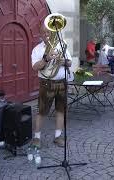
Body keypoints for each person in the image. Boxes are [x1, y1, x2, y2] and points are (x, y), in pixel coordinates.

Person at [30, 21, 72, 149]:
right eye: (44, 32)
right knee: (41, 112)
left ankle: (58, 136)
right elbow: (35, 67)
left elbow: (70, 63)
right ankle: (36, 138)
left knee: (60, 110)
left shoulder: (62, 45)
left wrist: (63, 61)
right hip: (46, 83)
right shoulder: (37, 49)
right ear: (40, 34)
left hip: (62, 83)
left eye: (49, 31)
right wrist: (46, 58)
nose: (46, 34)